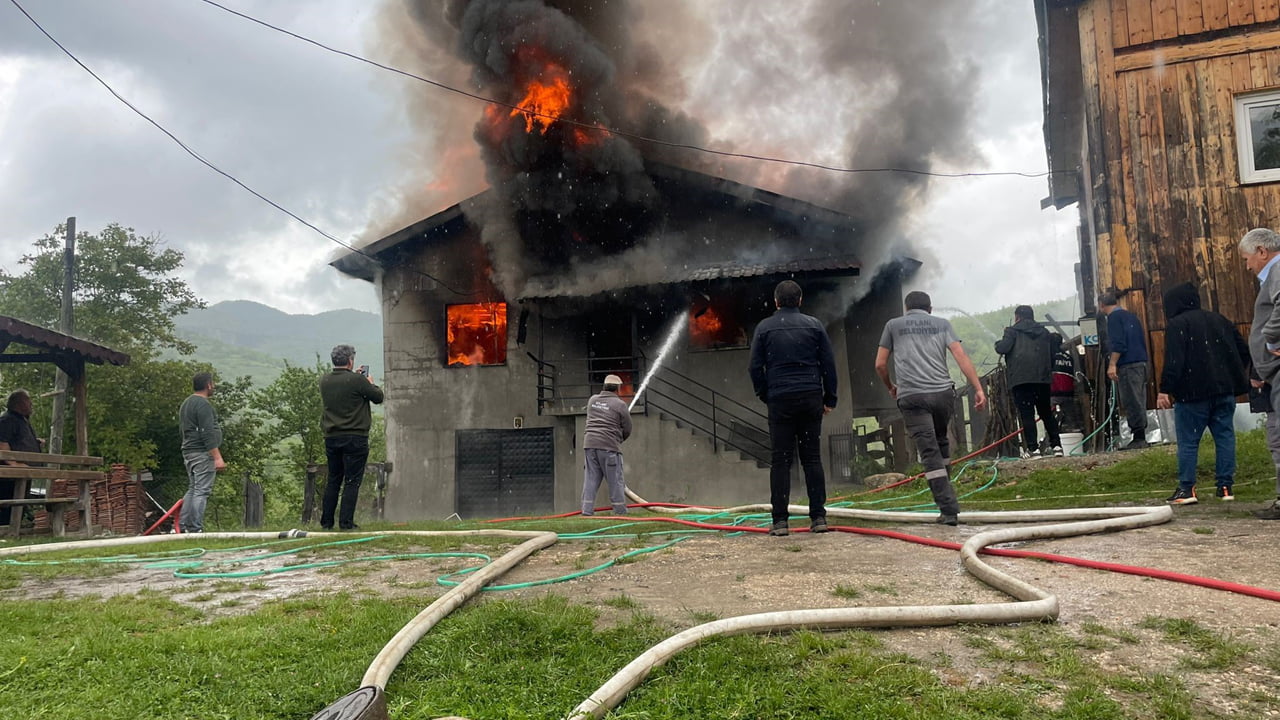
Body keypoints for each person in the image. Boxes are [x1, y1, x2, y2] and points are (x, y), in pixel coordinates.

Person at [875, 291, 988, 526]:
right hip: (943, 395)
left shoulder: (893, 325)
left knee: (929, 452)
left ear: (906, 308)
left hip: (913, 397)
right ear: (930, 309)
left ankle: (948, 509)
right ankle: (946, 495)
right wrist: (977, 388)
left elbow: (880, 364)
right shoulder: (942, 324)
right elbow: (961, 356)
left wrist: (891, 386)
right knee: (940, 441)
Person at [748, 280, 838, 537]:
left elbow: (754, 367)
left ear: (776, 301)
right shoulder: (814, 325)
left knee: (781, 460)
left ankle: (780, 522)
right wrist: (829, 398)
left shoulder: (764, 328)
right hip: (810, 397)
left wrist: (765, 394)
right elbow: (828, 365)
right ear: (800, 300)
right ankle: (818, 517)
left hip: (780, 400)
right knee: (812, 458)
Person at [1155, 282, 1250, 505]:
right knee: (1225, 437)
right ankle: (1225, 487)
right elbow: (1243, 351)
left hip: (1192, 394)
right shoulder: (1221, 320)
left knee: (1189, 442)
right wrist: (1230, 373)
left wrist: (1165, 389)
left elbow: (1174, 361)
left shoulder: (1178, 325)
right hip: (1224, 390)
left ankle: (1187, 490)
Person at [319, 344, 384, 530]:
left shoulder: (324, 380)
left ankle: (327, 522)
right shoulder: (358, 380)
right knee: (352, 480)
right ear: (350, 360)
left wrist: (356, 378)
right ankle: (346, 522)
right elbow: (378, 397)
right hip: (355, 436)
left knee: (334, 479)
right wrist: (369, 382)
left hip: (331, 436)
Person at [1239, 227, 1280, 519]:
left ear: (1262, 252)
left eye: (1247, 258)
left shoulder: (1277, 271)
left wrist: (1271, 340)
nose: (1247, 265)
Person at [994, 305, 1063, 458]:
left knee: (1027, 414)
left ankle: (1033, 449)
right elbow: (1052, 355)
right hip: (1042, 379)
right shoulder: (1044, 332)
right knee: (1046, 413)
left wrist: (997, 343)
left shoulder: (1012, 331)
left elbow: (1003, 348)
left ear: (1017, 317)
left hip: (1021, 379)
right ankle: (1057, 446)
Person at [1098, 291, 1151, 449]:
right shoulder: (1131, 316)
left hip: (1128, 363)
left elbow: (1119, 344)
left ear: (1102, 305)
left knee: (1131, 399)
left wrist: (1112, 364)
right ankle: (1140, 435)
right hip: (1141, 361)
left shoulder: (1113, 318)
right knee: (1139, 398)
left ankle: (1139, 438)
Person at [178, 372, 225, 533]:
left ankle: (181, 526)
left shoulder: (186, 403)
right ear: (208, 385)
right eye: (213, 383)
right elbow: (207, 432)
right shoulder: (203, 405)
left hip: (189, 451)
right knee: (201, 491)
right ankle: (195, 528)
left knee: (193, 488)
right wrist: (217, 457)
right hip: (202, 453)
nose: (214, 386)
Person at [580, 373, 633, 516]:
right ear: (618, 389)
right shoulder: (620, 405)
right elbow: (628, 428)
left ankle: (586, 510)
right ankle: (620, 510)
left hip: (589, 445)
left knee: (591, 478)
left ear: (604, 387)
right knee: (615, 480)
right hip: (609, 447)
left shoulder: (592, 400)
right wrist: (619, 438)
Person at [0, 389, 42, 527]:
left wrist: (35, 442)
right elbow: (2, 442)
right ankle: (6, 529)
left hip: (23, 472)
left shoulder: (20, 419)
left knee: (20, 502)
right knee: (8, 502)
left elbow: (18, 439)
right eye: (28, 401)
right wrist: (13, 464)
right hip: (10, 475)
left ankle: (15, 528)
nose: (31, 404)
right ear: (19, 403)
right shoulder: (7, 419)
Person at [1048, 332, 1083, 433]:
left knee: (1049, 419)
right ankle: (1074, 433)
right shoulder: (1068, 357)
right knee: (1072, 421)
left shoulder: (1050, 357)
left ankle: (1054, 440)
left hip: (1054, 394)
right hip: (1069, 394)